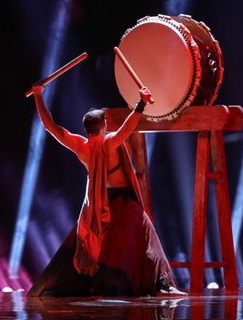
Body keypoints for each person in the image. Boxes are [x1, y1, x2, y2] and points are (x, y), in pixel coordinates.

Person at [26, 83, 187, 297]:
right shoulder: (109, 142)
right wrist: (141, 103)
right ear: (103, 124)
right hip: (120, 202)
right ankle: (161, 284)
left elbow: (50, 126)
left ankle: (141, 284)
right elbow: (127, 129)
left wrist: (38, 96)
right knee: (147, 235)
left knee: (107, 247)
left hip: (99, 204)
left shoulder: (81, 146)